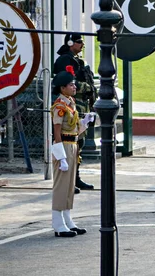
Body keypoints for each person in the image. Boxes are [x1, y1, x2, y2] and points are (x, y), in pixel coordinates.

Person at [50, 67, 95, 237]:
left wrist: (85, 122)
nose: (74, 87)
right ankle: (58, 223)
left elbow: (75, 130)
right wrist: (60, 156)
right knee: (61, 185)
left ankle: (67, 220)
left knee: (69, 186)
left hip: (73, 145)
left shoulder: (71, 104)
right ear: (62, 88)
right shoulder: (60, 106)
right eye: (71, 85)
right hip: (63, 146)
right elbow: (57, 131)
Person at [53, 33, 97, 192]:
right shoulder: (65, 60)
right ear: (71, 43)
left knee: (80, 144)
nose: (82, 45)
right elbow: (65, 81)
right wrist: (85, 87)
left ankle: (75, 178)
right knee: (72, 144)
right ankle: (69, 180)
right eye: (79, 42)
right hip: (73, 105)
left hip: (80, 105)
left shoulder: (77, 60)